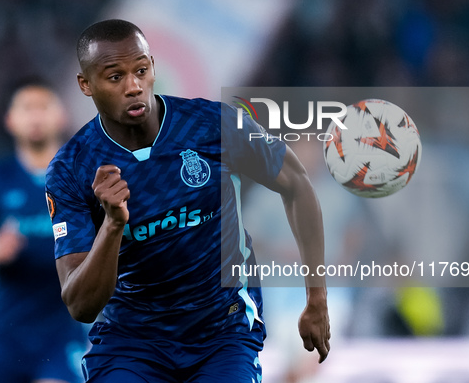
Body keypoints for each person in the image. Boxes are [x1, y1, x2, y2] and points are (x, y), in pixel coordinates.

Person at [46, 19, 330, 382]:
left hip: (222, 332)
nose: (133, 86)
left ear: (153, 67)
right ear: (86, 84)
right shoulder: (72, 168)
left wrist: (317, 299)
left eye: (141, 70)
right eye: (115, 77)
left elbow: (297, 184)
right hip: (132, 342)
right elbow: (80, 305)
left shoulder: (213, 125)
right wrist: (114, 225)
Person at [0, 79, 86, 383]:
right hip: (6, 335)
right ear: (10, 120)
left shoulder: (83, 180)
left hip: (61, 333)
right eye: (27, 108)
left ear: (61, 116)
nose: (35, 116)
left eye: (43, 107)